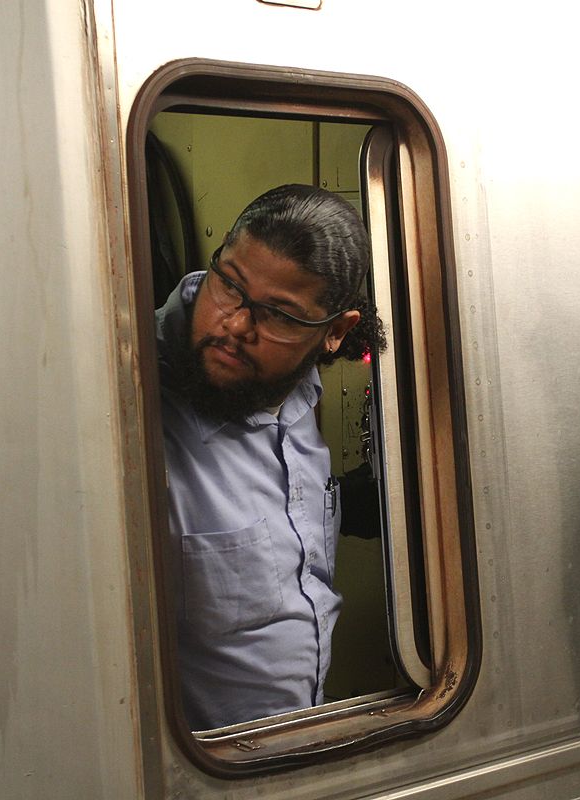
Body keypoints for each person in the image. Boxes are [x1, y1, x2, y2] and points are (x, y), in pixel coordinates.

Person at [155, 184, 386, 730]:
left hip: (293, 742)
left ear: (334, 333)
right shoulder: (131, 405)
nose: (235, 325)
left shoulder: (295, 391)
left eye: (279, 316)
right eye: (230, 285)